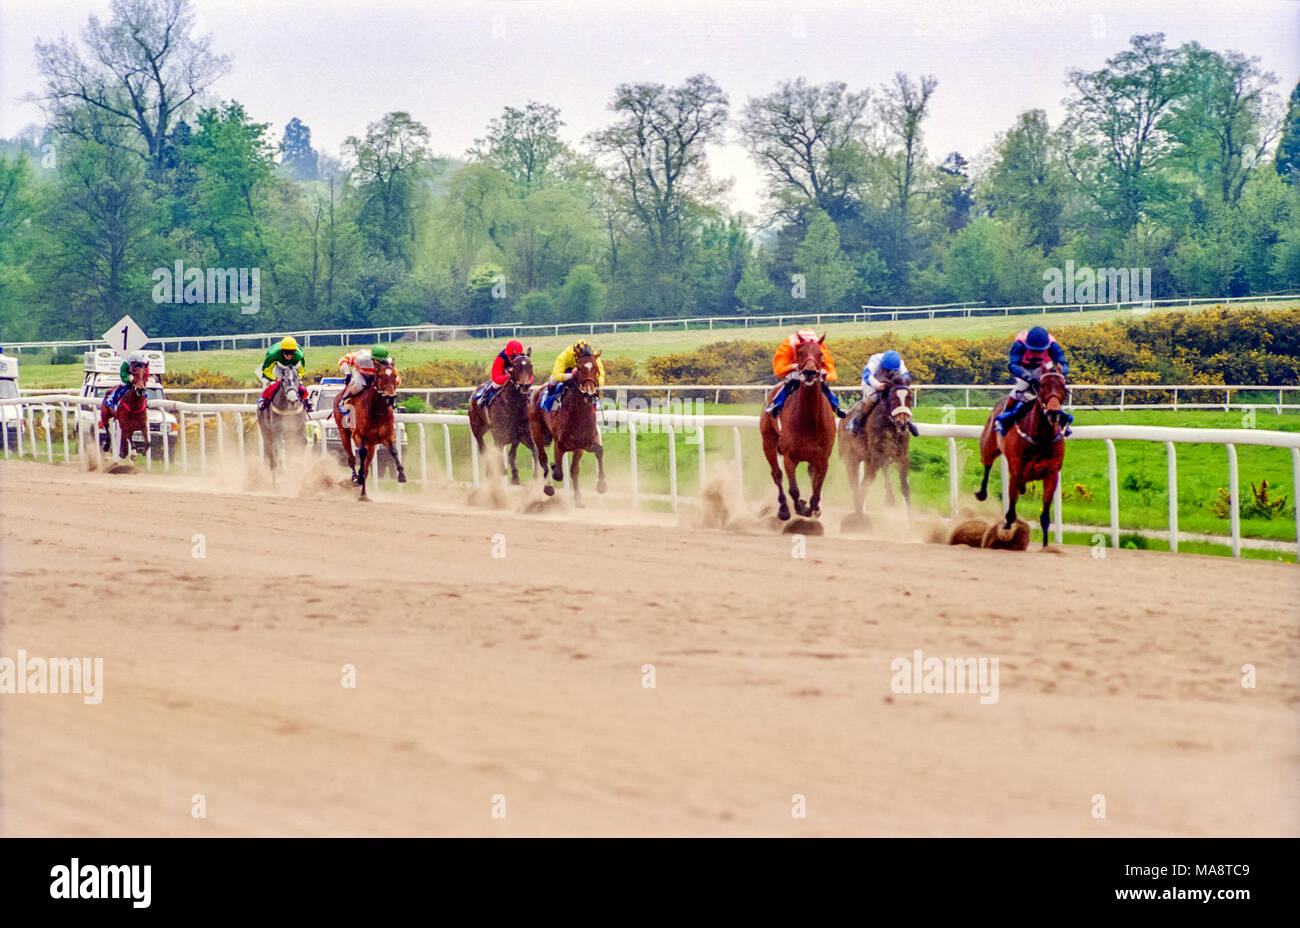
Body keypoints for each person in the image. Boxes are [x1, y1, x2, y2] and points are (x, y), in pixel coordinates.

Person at [993, 325, 1073, 439]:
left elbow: (1064, 364)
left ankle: (1062, 422)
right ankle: (1004, 420)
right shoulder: (1019, 344)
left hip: (1045, 367)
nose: (1037, 353)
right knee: (1019, 389)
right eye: (1034, 350)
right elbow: (1013, 365)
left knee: (1052, 391)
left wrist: (1057, 373)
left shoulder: (1053, 345)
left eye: (1040, 350)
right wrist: (1027, 377)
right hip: (1024, 369)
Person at [763, 329, 845, 418]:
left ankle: (836, 405)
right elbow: (779, 370)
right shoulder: (789, 345)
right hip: (794, 370)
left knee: (822, 385)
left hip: (814, 371)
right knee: (792, 382)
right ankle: (776, 404)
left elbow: (831, 370)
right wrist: (793, 367)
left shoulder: (817, 346)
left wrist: (824, 373)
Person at [846, 349, 918, 437]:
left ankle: (907, 421)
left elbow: (906, 376)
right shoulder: (875, 360)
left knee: (901, 397)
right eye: (887, 370)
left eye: (891, 371)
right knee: (874, 398)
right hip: (872, 382)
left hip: (891, 383)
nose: (888, 373)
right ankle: (856, 423)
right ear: (882, 366)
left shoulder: (900, 364)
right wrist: (877, 385)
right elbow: (866, 375)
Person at [336, 346, 393, 428]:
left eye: (383, 362)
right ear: (372, 359)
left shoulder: (389, 362)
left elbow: (394, 376)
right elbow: (343, 360)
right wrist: (347, 373)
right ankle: (344, 400)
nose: (380, 364)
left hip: (376, 375)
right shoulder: (361, 357)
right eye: (379, 362)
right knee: (359, 385)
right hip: (360, 372)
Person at [539, 339, 604, 411]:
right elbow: (556, 374)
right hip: (566, 372)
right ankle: (549, 397)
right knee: (552, 379)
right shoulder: (565, 355)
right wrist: (570, 375)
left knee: (593, 382)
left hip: (584, 374)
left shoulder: (592, 356)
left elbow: (601, 373)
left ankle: (595, 400)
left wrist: (596, 383)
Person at [256, 336, 311, 412]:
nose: (288, 355)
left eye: (291, 353)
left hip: (293, 367)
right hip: (279, 366)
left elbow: (302, 371)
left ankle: (307, 400)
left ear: (294, 352)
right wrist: (275, 378)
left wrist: (297, 377)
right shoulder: (273, 354)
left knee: (297, 383)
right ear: (282, 351)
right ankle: (263, 399)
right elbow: (266, 370)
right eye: (286, 352)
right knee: (274, 384)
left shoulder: (299, 356)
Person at [475, 340, 526, 407]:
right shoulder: (500, 359)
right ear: (506, 354)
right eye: (510, 357)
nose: (512, 359)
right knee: (495, 385)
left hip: (518, 381)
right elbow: (496, 378)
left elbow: (530, 379)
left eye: (515, 357)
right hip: (503, 379)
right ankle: (485, 396)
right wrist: (510, 376)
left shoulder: (523, 360)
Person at [103, 350, 150, 416]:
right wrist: (128, 379)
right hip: (127, 378)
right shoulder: (126, 363)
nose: (138, 364)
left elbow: (146, 373)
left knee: (143, 390)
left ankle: (146, 403)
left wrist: (142, 379)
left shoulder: (143, 364)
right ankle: (112, 400)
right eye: (136, 363)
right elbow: (123, 373)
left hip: (138, 380)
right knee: (121, 387)